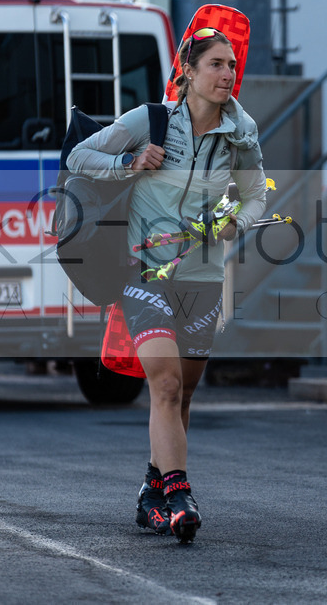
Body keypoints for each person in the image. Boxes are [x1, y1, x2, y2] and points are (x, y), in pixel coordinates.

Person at [66, 27, 267, 543]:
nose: (228, 74)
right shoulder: (151, 121)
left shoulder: (241, 133)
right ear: (189, 72)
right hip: (145, 274)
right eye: (217, 64)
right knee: (166, 382)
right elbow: (77, 156)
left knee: (184, 393)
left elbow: (254, 195)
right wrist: (128, 162)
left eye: (231, 66)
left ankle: (151, 492)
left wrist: (235, 221)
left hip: (202, 276)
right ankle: (179, 491)